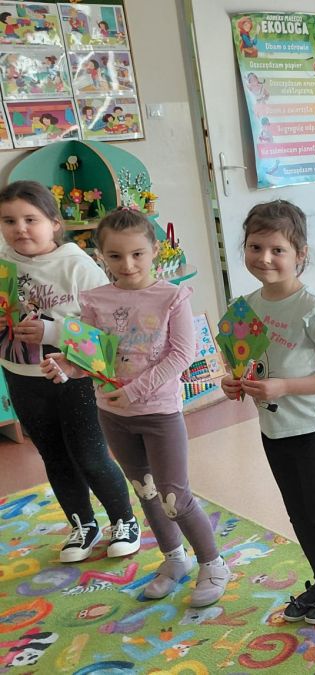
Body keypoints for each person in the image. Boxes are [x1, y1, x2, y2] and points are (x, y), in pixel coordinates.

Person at [41, 208, 229, 607]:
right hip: (114, 416)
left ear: (154, 251)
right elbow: (94, 358)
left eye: (137, 254)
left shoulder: (171, 297)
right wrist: (68, 366)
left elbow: (181, 355)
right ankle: (174, 559)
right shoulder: (95, 300)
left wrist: (134, 391)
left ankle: (213, 563)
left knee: (174, 496)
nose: (127, 265)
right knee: (145, 491)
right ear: (100, 256)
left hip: (160, 414)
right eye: (115, 256)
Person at [219, 200, 315, 624]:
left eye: (277, 249)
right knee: (297, 510)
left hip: (313, 424)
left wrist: (285, 386)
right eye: (255, 247)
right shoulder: (244, 306)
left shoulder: (312, 308)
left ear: (300, 254)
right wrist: (233, 383)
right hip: (273, 425)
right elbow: (243, 366)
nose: (264, 258)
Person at [0, 180, 137, 564]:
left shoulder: (77, 266)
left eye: (31, 219)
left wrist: (52, 331)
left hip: (73, 378)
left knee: (90, 456)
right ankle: (83, 524)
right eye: (9, 221)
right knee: (54, 456)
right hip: (21, 375)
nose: (20, 229)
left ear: (55, 223)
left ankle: (124, 520)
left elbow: (108, 332)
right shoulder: (3, 262)